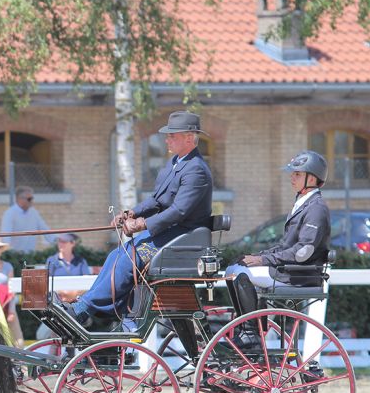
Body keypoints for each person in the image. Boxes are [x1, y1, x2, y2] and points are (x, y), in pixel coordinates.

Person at [68, 111, 214, 329]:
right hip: (168, 234)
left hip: (184, 238)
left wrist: (142, 224)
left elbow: (179, 211)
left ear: (189, 138)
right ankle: (97, 307)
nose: (167, 140)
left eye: (172, 136)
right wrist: (132, 213)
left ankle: (85, 309)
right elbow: (157, 199)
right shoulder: (176, 163)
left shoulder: (196, 170)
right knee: (117, 254)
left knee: (129, 259)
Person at [227, 150, 331, 289]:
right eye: (293, 173)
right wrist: (256, 256)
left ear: (312, 179)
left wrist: (262, 260)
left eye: (297, 174)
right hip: (288, 271)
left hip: (298, 275)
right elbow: (285, 247)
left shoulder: (316, 208)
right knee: (234, 268)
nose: (292, 177)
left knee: (238, 273)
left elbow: (302, 252)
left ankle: (254, 305)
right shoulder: (302, 205)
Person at [36, 232, 93, 341]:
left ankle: (64, 349)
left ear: (72, 243)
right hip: (57, 304)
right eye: (59, 241)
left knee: (71, 332)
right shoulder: (52, 260)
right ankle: (55, 350)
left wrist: (73, 295)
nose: (60, 243)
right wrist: (64, 294)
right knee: (43, 334)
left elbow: (87, 284)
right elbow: (46, 284)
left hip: (77, 304)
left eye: (64, 241)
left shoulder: (81, 262)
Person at [0, 187, 56, 253]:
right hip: (15, 255)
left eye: (32, 198)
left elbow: (44, 229)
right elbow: (6, 236)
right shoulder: (10, 214)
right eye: (29, 199)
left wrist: (56, 242)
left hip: (30, 254)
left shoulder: (33, 212)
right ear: (19, 199)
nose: (32, 201)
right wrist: (8, 253)